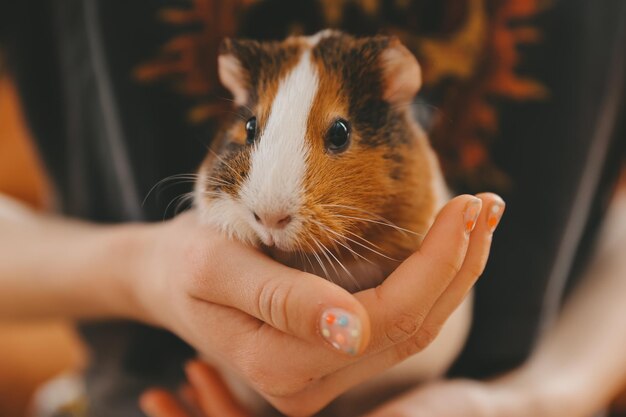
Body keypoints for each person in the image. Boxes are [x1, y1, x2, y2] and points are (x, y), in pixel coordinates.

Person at [1, 1, 625, 416]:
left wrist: (538, 397)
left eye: (337, 136)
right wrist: (141, 271)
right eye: (252, 124)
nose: (272, 208)